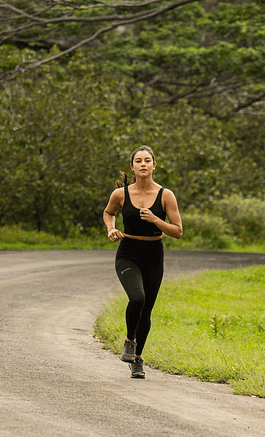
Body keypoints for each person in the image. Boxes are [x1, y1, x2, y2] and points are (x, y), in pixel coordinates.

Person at [103, 145, 182, 379]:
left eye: (148, 160)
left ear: (154, 166)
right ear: (132, 166)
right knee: (137, 297)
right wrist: (111, 229)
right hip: (128, 252)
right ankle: (129, 340)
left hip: (154, 254)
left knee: (146, 309)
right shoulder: (121, 194)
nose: (143, 164)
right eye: (139, 161)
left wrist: (156, 219)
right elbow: (109, 213)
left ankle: (137, 359)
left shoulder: (165, 195)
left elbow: (177, 231)